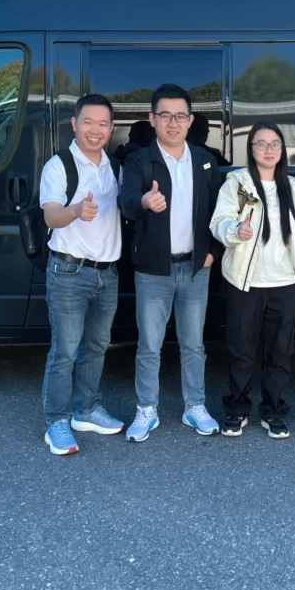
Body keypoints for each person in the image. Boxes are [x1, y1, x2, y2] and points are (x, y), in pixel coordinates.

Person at [119, 83, 224, 441]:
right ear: (152, 119)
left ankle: (195, 406)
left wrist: (213, 251)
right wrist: (144, 203)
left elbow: (219, 212)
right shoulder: (139, 160)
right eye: (165, 115)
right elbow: (126, 201)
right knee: (149, 346)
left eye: (180, 116)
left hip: (195, 268)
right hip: (153, 269)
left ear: (190, 120)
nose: (173, 123)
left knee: (193, 344)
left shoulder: (205, 160)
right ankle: (146, 409)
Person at [210, 123, 295, 439]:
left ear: (282, 149)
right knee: (241, 348)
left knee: (280, 350)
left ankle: (273, 409)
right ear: (250, 148)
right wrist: (235, 231)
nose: (269, 150)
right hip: (246, 281)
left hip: (286, 281)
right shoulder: (237, 184)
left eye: (275, 143)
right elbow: (219, 222)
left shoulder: (294, 187)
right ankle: (237, 409)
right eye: (261, 143)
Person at [38, 93, 125, 455]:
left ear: (111, 128)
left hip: (108, 273)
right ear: (74, 124)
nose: (95, 130)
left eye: (103, 123)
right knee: (65, 351)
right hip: (69, 272)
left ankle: (87, 410)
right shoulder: (59, 165)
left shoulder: (115, 166)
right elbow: (51, 215)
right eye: (88, 122)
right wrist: (75, 210)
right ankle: (56, 421)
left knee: (96, 347)